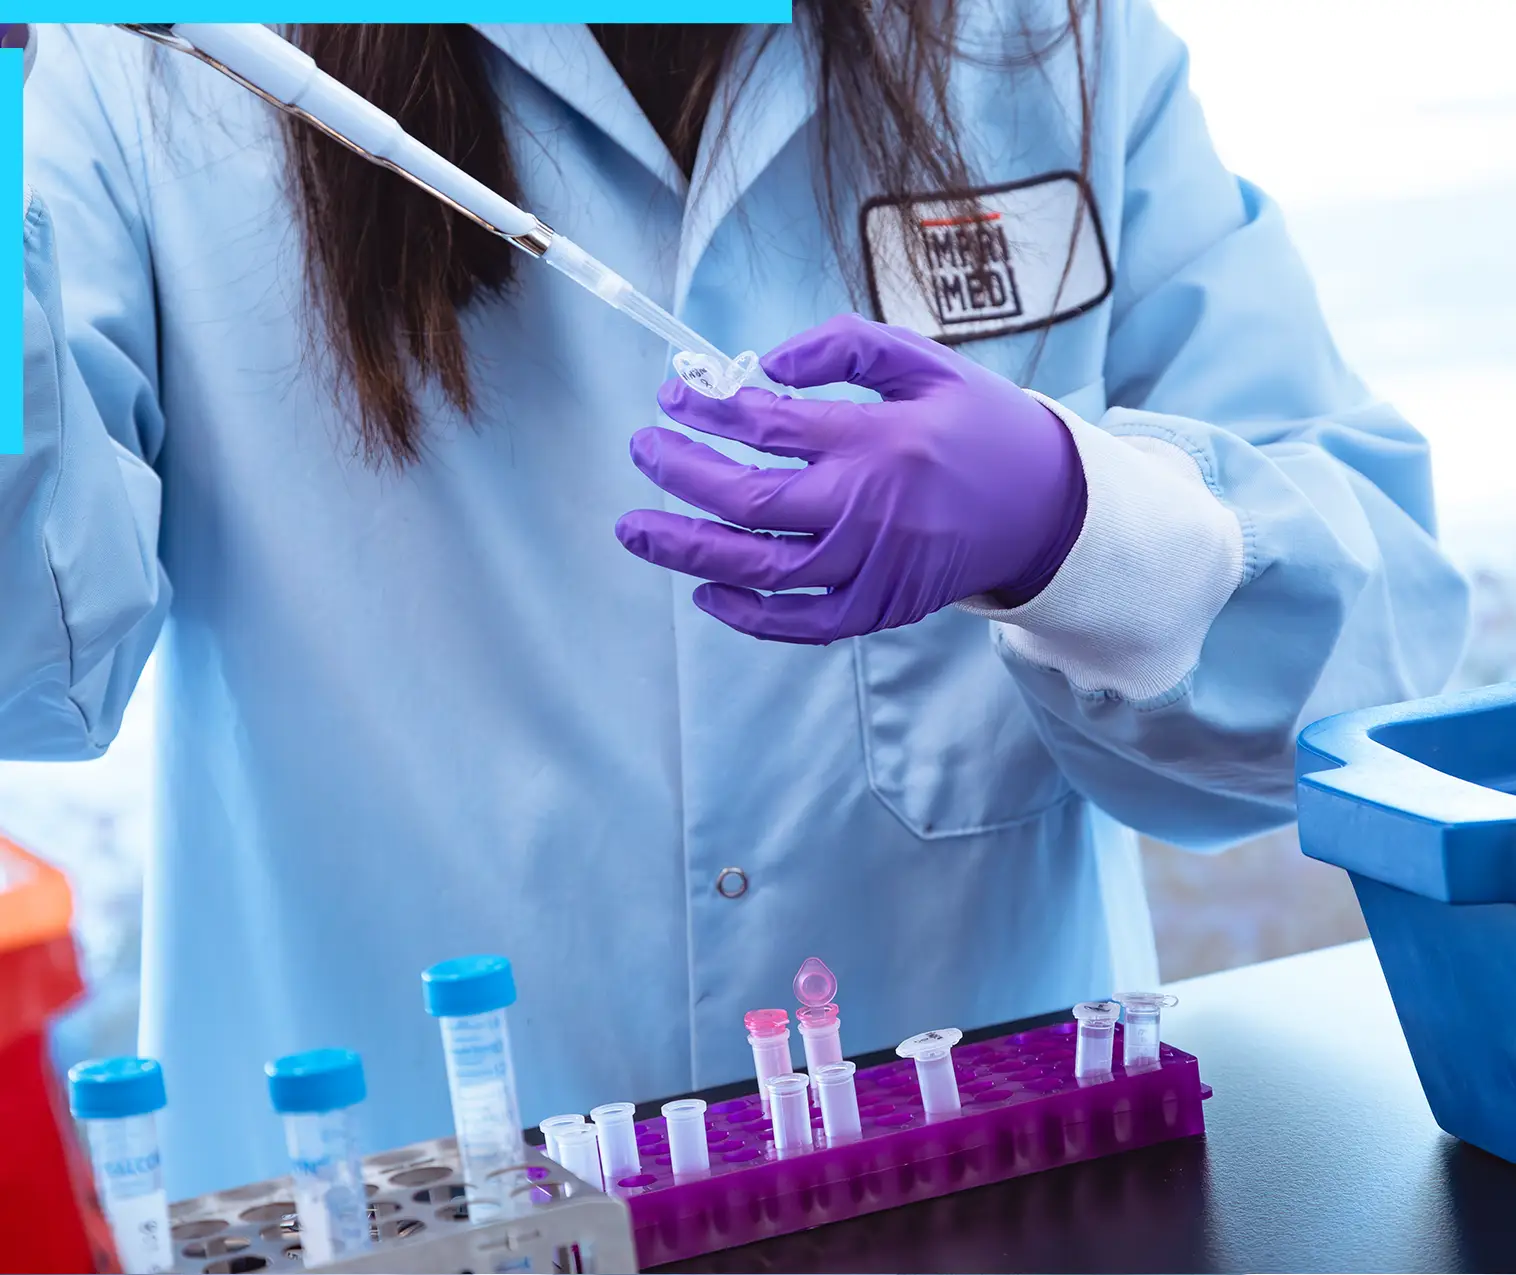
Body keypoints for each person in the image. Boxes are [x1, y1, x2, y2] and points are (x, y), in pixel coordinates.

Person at [7, 10, 1467, 1199]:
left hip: (991, 1195)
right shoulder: (160, 64)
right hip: (382, 1212)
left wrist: (1078, 520)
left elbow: (1374, 666)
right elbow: (32, 667)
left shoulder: (1045, 40)